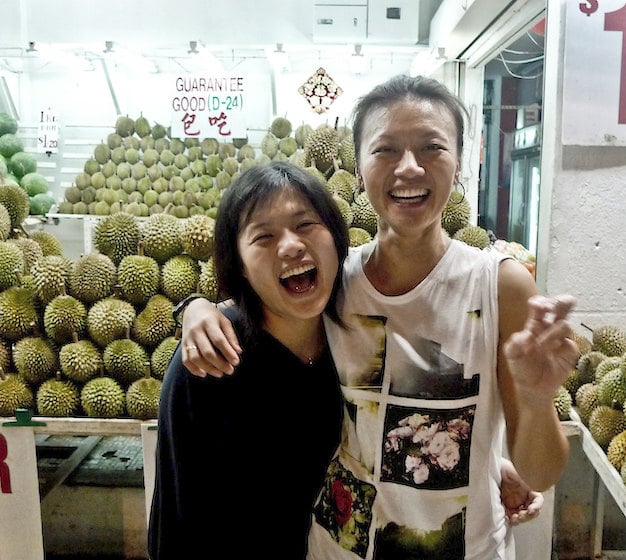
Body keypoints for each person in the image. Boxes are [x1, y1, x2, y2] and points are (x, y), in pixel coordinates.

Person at [180, 75, 578, 559]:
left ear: (458, 159)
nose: (409, 168)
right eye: (385, 150)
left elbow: (539, 473)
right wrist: (194, 308)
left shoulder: (500, 285)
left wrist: (537, 401)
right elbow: (254, 308)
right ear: (358, 163)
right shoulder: (331, 282)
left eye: (432, 147)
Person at [147, 161, 350, 559]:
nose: (291, 245)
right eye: (263, 236)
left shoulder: (356, 337)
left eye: (306, 224)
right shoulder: (210, 359)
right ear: (238, 263)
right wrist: (195, 306)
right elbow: (176, 513)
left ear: (337, 237)